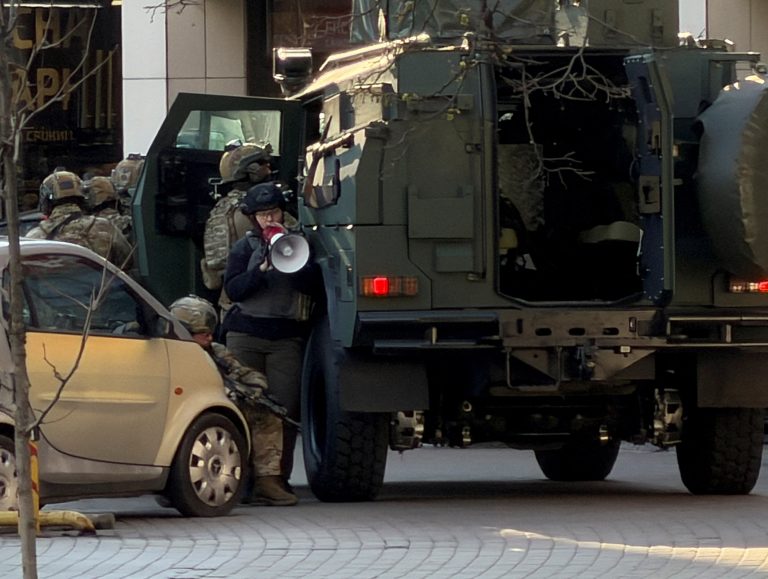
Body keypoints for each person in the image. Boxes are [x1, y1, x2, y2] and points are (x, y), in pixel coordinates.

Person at [222, 182, 320, 486]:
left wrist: (294, 265)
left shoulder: (298, 243)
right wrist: (261, 268)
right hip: (246, 335)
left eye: (274, 212)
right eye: (263, 214)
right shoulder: (244, 247)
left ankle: (276, 479)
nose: (269, 219)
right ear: (253, 218)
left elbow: (315, 287)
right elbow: (234, 289)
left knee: (283, 408)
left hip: (284, 338)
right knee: (245, 406)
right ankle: (243, 479)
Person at [168, 295, 299, 506]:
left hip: (223, 406)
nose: (209, 339)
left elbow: (244, 372)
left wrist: (256, 388)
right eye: (202, 334)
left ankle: (267, 481)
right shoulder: (171, 355)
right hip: (185, 413)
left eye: (210, 333)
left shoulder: (216, 352)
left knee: (266, 415)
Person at [200, 140, 274, 313]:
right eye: (264, 164)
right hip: (261, 302)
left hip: (228, 302)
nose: (269, 169)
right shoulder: (259, 209)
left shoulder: (223, 207)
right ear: (253, 171)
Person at [27, 169, 134, 270]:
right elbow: (127, 262)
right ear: (83, 199)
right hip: (104, 288)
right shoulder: (104, 226)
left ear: (46, 202)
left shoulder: (35, 237)